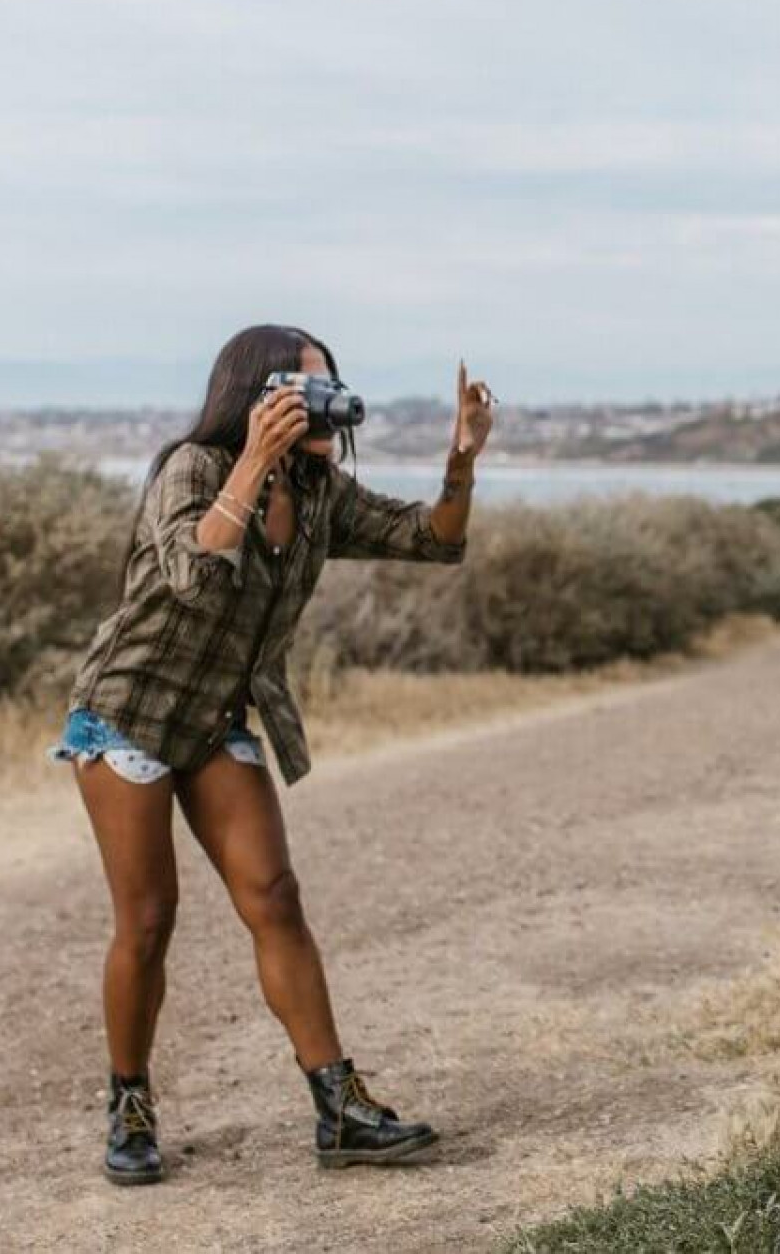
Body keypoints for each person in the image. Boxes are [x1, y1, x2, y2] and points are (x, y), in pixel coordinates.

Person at [49, 324, 496, 1184]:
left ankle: (339, 1109)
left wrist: (462, 460)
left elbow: (432, 539)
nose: (327, 405)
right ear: (257, 399)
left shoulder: (319, 488)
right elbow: (192, 573)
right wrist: (251, 463)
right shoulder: (193, 468)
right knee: (147, 922)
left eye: (330, 388)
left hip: (216, 717)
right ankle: (130, 1105)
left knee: (275, 898)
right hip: (128, 713)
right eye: (306, 388)